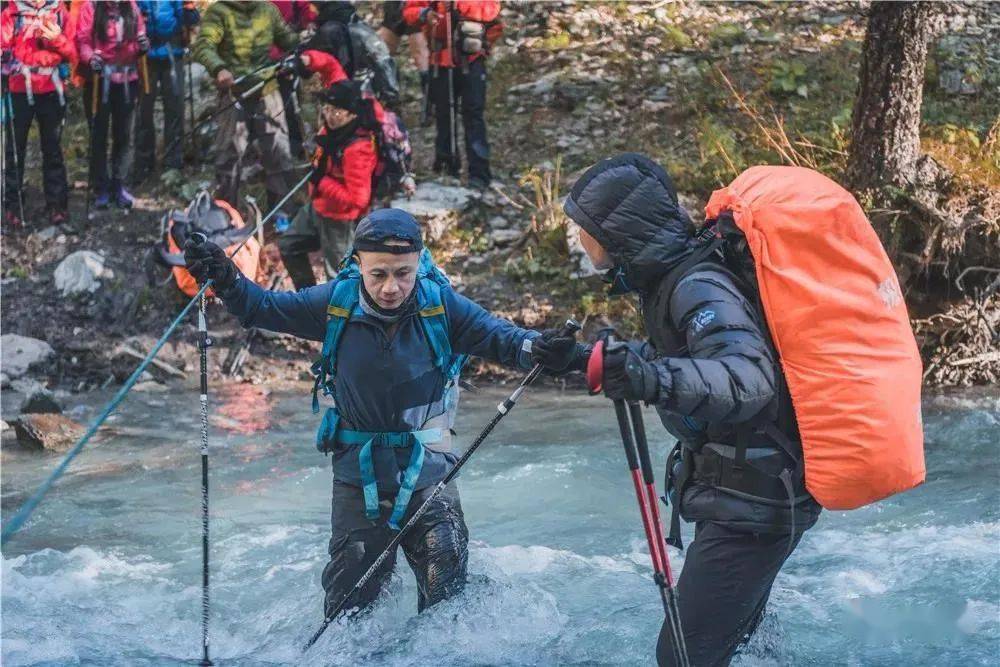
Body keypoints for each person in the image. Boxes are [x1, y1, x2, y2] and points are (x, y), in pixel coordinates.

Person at [182, 208, 583, 620]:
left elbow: (505, 339)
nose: (391, 287)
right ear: (358, 265)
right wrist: (225, 276)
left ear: (419, 265)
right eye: (378, 274)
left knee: (448, 611)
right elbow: (261, 307)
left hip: (431, 477)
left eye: (403, 273)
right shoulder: (333, 304)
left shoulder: (441, 306)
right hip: (358, 479)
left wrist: (543, 348)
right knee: (348, 615)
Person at [562, 153, 822, 666]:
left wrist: (650, 380)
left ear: (617, 233)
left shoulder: (697, 285)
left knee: (684, 657)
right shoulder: (674, 277)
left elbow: (748, 380)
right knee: (727, 648)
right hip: (750, 491)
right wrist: (581, 358)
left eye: (583, 228)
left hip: (755, 500)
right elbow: (679, 358)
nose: (578, 239)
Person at [279, 62, 378, 290]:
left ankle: (341, 320)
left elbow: (358, 200)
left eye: (336, 111)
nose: (329, 115)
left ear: (351, 114)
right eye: (327, 108)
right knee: (288, 245)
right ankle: (310, 299)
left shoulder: (357, 149)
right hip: (318, 207)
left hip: (340, 220)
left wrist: (321, 181)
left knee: (339, 278)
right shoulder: (329, 133)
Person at [193, 0, 297, 215]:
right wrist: (218, 67)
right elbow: (204, 45)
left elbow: (288, 40)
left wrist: (302, 48)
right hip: (234, 93)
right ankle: (225, 215)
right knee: (228, 157)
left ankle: (281, 214)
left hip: (267, 90)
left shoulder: (268, 10)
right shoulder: (219, 12)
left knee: (278, 153)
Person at [403, 0, 501, 190]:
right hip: (439, 61)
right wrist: (425, 14)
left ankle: (479, 173)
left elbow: (492, 10)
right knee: (443, 115)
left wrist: (459, 5)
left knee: (474, 114)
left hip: (472, 59)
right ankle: (446, 165)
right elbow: (409, 12)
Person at [1, 0, 76, 226]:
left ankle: (57, 206)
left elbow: (72, 52)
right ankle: (12, 207)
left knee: (52, 148)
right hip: (18, 89)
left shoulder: (59, 12)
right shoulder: (11, 13)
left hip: (51, 89)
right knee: (15, 150)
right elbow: (3, 47)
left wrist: (55, 39)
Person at [76, 0, 148, 210]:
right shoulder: (91, 7)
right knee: (98, 134)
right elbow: (83, 40)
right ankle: (101, 186)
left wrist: (142, 46)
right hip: (99, 80)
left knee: (124, 134)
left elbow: (139, 34)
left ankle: (119, 184)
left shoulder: (131, 7)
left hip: (127, 79)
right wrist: (90, 58)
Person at [133, 0, 200, 179]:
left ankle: (173, 162)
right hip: (145, 56)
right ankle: (145, 163)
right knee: (144, 110)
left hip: (172, 51)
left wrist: (189, 10)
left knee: (175, 107)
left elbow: (193, 19)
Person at [303, 0, 399, 107]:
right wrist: (390, 95)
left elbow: (304, 67)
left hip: (343, 96)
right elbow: (383, 61)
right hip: (366, 94)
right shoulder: (361, 27)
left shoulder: (325, 32)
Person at [269, 0, 315, 159]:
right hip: (284, 54)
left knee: (278, 102)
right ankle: (296, 148)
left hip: (266, 56)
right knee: (289, 100)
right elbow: (310, 13)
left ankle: (287, 148)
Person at [377, 0, 429, 94]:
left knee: (420, 54)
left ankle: (428, 98)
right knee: (383, 53)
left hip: (417, 7)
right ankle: (386, 95)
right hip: (395, 5)